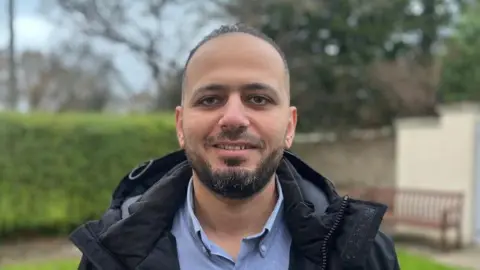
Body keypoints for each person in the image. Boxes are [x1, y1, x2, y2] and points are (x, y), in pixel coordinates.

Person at [70, 24, 400, 270]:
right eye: (210, 99)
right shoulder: (110, 253)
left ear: (290, 126)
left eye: (258, 99)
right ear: (180, 126)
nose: (233, 118)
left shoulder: (363, 254)